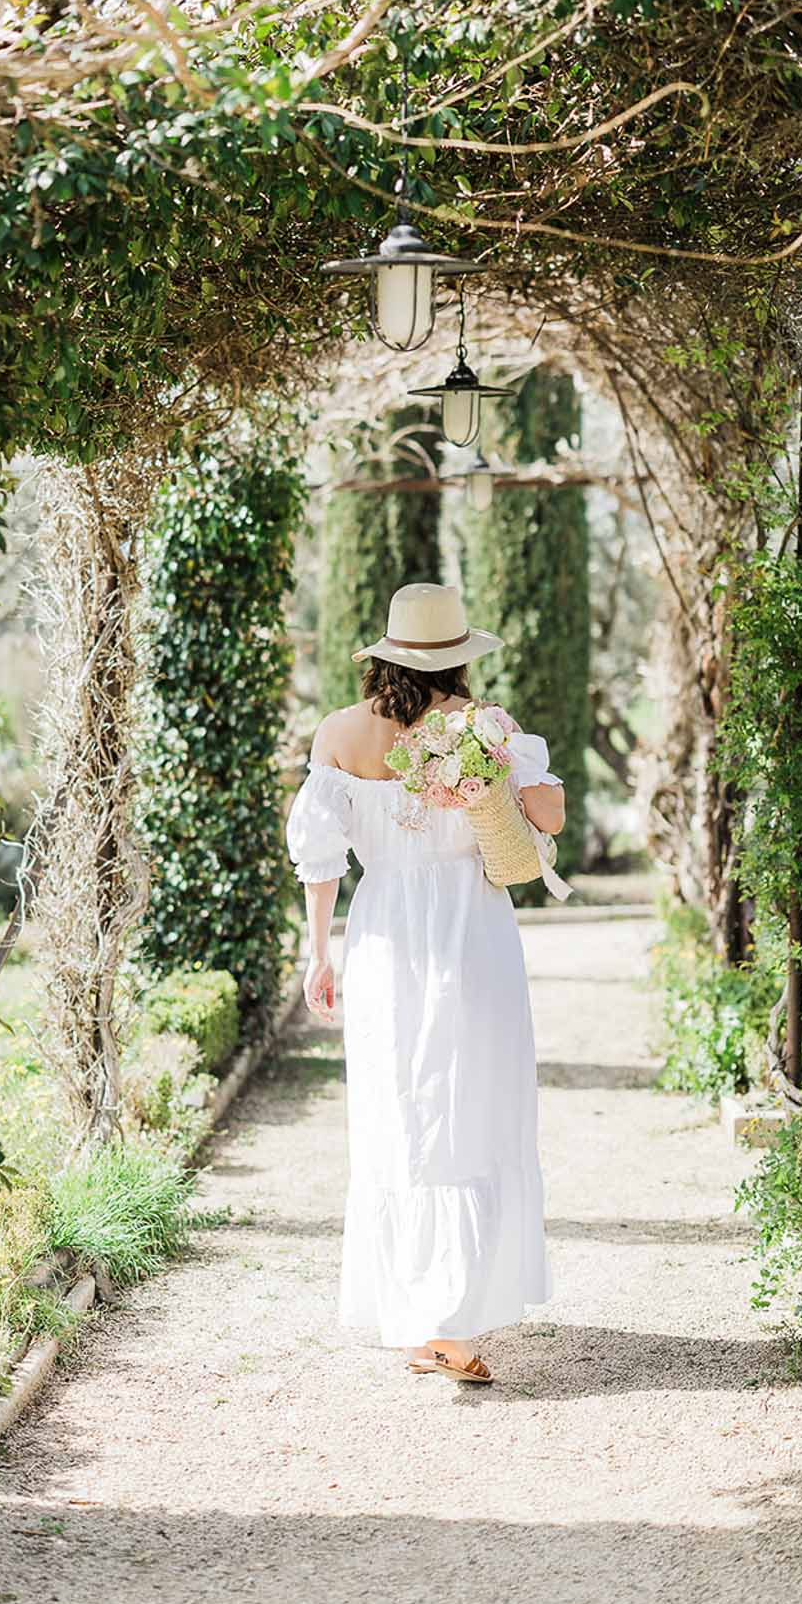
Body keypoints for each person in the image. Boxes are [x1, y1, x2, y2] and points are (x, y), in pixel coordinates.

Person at [285, 580, 565, 1385]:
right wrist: (509, 778)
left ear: (383, 655)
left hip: (384, 931)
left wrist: (320, 952)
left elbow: (319, 859)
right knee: (470, 1102)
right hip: (471, 926)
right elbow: (546, 819)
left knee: (400, 1108)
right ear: (461, 659)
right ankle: (454, 1323)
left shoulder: (339, 735)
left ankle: (423, 1317)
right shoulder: (484, 728)